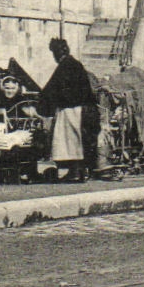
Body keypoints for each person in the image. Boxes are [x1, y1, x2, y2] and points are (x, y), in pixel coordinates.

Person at [37, 38, 95, 183]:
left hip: (70, 110)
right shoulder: (76, 64)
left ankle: (74, 172)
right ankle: (79, 171)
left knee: (68, 141)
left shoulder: (65, 66)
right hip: (81, 108)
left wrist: (42, 102)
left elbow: (53, 88)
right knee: (77, 140)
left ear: (56, 53)